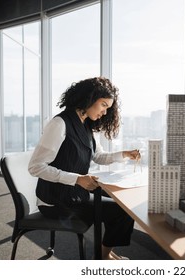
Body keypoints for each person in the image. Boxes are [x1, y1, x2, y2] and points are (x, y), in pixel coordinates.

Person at [28, 76, 140, 260]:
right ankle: (104, 258)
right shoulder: (59, 124)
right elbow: (36, 167)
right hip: (55, 201)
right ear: (89, 98)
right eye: (103, 105)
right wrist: (78, 179)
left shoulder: (85, 124)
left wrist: (124, 154)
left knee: (123, 207)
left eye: (108, 108)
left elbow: (98, 156)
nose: (105, 112)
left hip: (73, 194)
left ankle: (105, 255)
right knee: (120, 212)